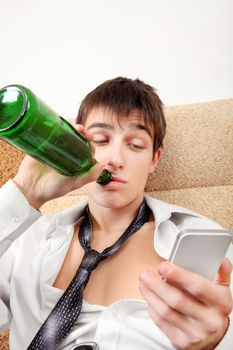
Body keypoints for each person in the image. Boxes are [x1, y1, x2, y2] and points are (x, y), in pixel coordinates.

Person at [0, 77, 232, 350]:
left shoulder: (206, 243)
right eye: (100, 139)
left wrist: (216, 342)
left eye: (135, 145)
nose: (115, 159)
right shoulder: (24, 240)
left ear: (154, 159)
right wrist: (25, 191)